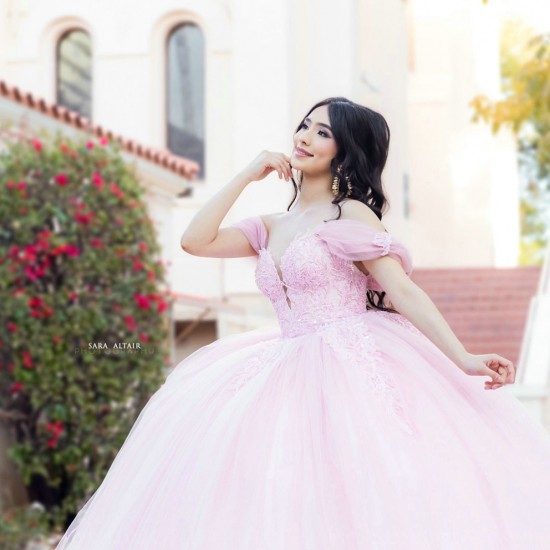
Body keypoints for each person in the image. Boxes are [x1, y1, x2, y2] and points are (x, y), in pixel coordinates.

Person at [56, 97, 550, 549]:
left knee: (359, 489)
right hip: (281, 361)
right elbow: (194, 241)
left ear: (345, 151)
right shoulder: (269, 225)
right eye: (304, 126)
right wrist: (248, 174)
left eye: (322, 133)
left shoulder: (350, 214)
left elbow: (400, 289)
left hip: (351, 362)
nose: (305, 137)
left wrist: (461, 357)